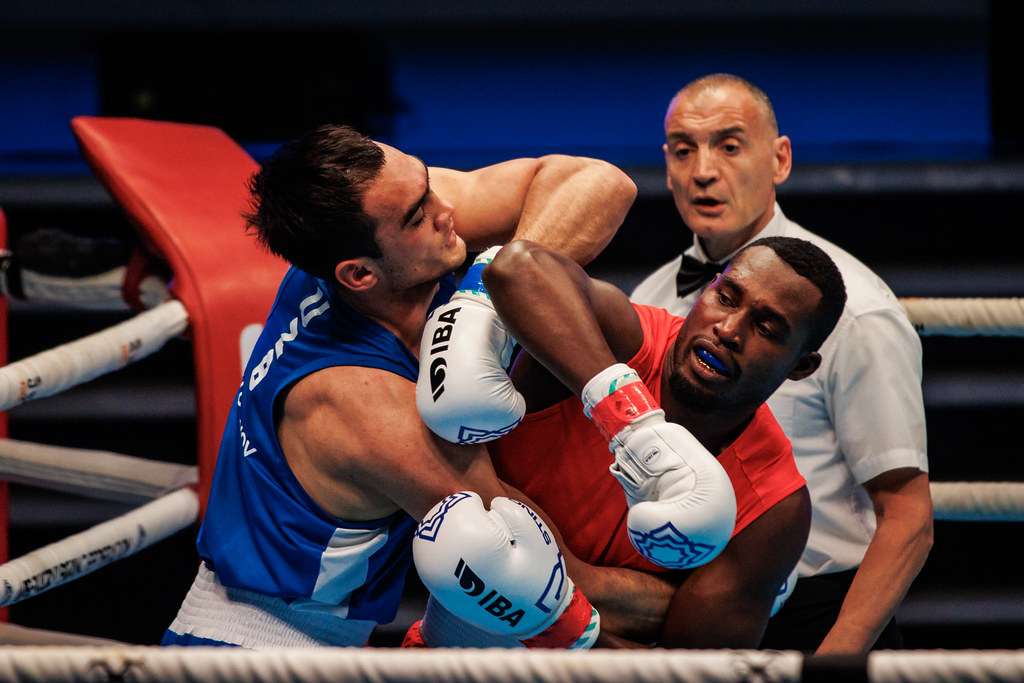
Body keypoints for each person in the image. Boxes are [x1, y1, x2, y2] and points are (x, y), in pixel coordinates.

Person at [161, 124, 641, 648]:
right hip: (258, 652)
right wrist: (714, 610)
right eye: (418, 215)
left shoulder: (386, 237)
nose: (447, 210)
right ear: (359, 275)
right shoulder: (359, 403)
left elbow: (599, 182)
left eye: (428, 184)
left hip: (327, 639)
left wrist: (485, 305)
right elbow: (538, 568)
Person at [414, 235, 846, 648]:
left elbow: (689, 670)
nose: (729, 330)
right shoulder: (622, 340)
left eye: (767, 328)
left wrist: (562, 626)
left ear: (801, 367)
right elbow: (515, 267)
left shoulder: (772, 508)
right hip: (442, 650)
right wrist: (631, 422)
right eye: (726, 298)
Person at [631, 73, 933, 654]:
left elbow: (908, 513)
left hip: (814, 614)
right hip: (676, 610)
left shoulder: (858, 308)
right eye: (683, 149)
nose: (702, 171)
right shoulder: (649, 297)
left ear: (780, 159)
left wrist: (839, 652)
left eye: (729, 145)